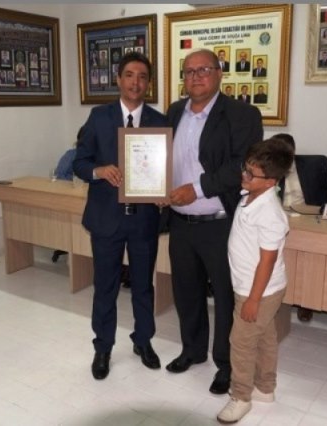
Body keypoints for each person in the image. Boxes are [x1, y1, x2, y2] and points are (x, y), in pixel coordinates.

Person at [165, 48, 263, 395]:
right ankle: (192, 350)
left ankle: (225, 363)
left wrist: (196, 189)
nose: (195, 77)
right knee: (186, 292)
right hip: (180, 223)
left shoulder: (242, 114)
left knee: (224, 297)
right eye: (189, 71)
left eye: (203, 70)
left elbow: (242, 165)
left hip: (221, 223)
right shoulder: (174, 112)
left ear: (220, 73)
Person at [73, 52, 166, 381]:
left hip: (144, 220)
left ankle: (143, 341)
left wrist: (163, 188)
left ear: (148, 83)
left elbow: (166, 169)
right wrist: (99, 171)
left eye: (142, 76)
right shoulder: (99, 117)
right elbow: (79, 162)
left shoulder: (159, 122)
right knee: (105, 286)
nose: (135, 82)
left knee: (143, 286)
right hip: (106, 218)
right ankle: (103, 347)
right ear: (118, 79)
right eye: (129, 75)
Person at [215, 138, 293, 424]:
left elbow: (267, 261)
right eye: (245, 168)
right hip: (252, 287)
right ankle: (265, 387)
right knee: (265, 336)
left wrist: (253, 300)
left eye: (252, 173)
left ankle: (241, 397)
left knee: (241, 341)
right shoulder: (250, 194)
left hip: (258, 290)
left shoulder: (270, 213)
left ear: (271, 182)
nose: (244, 175)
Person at [272, 133, 327, 323]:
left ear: (293, 152)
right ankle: (276, 297)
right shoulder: (268, 169)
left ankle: (306, 301)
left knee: (308, 262)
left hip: (309, 220)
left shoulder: (312, 167)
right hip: (277, 220)